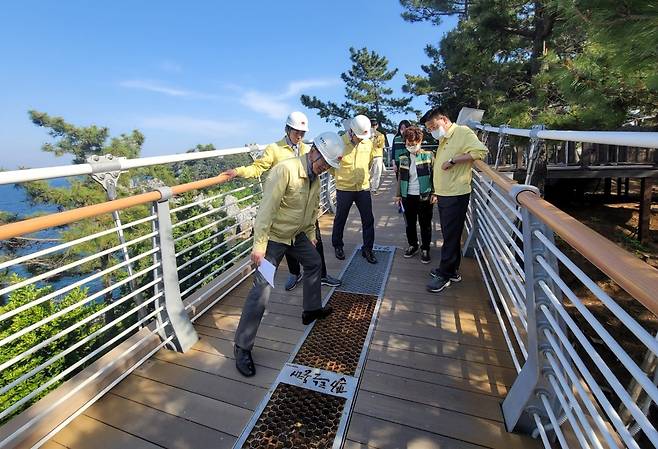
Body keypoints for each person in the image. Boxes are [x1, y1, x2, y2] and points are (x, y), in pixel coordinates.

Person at [233, 132, 345, 377]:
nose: (325, 168)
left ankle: (311, 309)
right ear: (313, 151)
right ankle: (242, 346)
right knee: (261, 289)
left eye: (328, 165)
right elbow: (266, 210)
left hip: (296, 235)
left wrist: (310, 234)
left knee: (315, 262)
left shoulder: (315, 176)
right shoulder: (285, 170)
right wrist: (259, 245)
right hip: (273, 238)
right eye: (323, 162)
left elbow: (311, 208)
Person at [222, 111, 341, 291]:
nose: (299, 136)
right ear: (287, 129)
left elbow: (319, 168)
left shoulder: (307, 150)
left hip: (305, 207)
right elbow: (258, 168)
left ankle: (322, 276)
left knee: (314, 244)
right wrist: (238, 171)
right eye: (296, 132)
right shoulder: (274, 149)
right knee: (286, 249)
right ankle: (294, 274)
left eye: (303, 133)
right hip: (285, 209)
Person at [421, 107, 488, 293]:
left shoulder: (462, 132)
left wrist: (453, 161)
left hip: (455, 194)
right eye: (429, 128)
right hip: (445, 193)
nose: (432, 131)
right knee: (450, 233)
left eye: (433, 126)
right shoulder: (445, 137)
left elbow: (480, 151)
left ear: (443, 119)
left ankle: (445, 274)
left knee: (450, 235)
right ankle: (452, 270)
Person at [331, 114, 378, 264]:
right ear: (351, 131)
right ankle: (338, 245)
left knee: (368, 219)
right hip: (344, 188)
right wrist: (340, 176)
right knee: (340, 218)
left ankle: (368, 249)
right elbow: (331, 165)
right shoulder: (339, 143)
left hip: (363, 187)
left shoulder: (367, 142)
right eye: (358, 137)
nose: (360, 140)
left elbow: (370, 161)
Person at [394, 126, 434, 264]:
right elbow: (400, 178)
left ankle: (425, 248)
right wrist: (398, 195)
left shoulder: (429, 156)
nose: (411, 145)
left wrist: (435, 193)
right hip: (407, 195)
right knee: (409, 223)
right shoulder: (403, 158)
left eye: (414, 143)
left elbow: (434, 176)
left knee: (425, 224)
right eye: (408, 143)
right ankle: (413, 245)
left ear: (420, 141)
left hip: (424, 195)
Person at [369, 118, 386, 195]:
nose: (373, 127)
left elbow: (381, 145)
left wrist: (375, 138)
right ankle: (368, 188)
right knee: (368, 173)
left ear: (377, 125)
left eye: (374, 125)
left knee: (377, 173)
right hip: (368, 156)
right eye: (372, 125)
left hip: (378, 155)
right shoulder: (365, 135)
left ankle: (374, 188)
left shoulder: (380, 135)